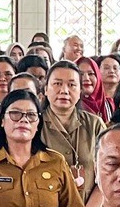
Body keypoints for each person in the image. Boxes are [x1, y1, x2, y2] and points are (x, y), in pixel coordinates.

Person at [41, 60, 106, 193]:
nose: (64, 91)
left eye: (72, 85)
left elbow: (107, 175)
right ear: (46, 89)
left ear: (80, 90)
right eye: (57, 84)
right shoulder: (35, 125)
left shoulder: (95, 124)